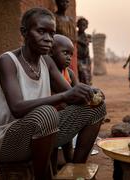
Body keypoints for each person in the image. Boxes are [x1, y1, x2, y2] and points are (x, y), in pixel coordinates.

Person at [0, 7, 106, 179]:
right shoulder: (8, 61)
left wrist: (90, 94)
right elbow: (17, 108)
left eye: (51, 33)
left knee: (97, 107)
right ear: (24, 32)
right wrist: (65, 96)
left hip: (43, 132)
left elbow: (71, 93)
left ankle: (77, 172)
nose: (48, 39)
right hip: (7, 141)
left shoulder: (47, 62)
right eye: (41, 31)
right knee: (47, 113)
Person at [50, 34, 77, 164]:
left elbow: (78, 90)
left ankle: (70, 160)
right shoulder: (47, 72)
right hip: (50, 117)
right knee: (53, 148)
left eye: (71, 55)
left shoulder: (69, 73)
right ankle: (54, 168)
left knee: (68, 140)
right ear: (51, 52)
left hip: (65, 114)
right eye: (65, 53)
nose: (69, 58)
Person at [54, 0, 77, 75]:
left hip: (69, 51)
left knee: (69, 73)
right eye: (62, 1)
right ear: (57, 3)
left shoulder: (70, 20)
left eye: (67, 2)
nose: (64, 4)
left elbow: (74, 38)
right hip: (58, 51)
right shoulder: (54, 18)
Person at [77, 17, 92, 85]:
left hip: (86, 59)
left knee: (87, 77)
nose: (82, 27)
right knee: (81, 75)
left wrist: (77, 39)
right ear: (77, 25)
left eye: (84, 25)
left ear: (86, 26)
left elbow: (86, 43)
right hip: (78, 59)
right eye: (80, 25)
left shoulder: (87, 36)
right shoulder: (75, 34)